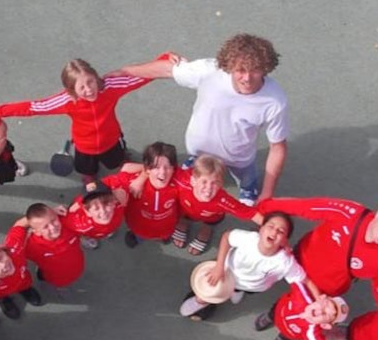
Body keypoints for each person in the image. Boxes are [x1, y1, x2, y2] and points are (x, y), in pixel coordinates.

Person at [119, 34, 289, 205]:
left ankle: (247, 187)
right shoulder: (209, 71)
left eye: (255, 70)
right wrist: (125, 71)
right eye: (240, 70)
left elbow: (277, 147)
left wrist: (267, 192)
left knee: (247, 178)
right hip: (199, 152)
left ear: (266, 68)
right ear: (229, 67)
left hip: (240, 158)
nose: (247, 78)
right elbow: (167, 70)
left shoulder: (275, 100)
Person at [0, 57, 163, 188]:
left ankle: (119, 160)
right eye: (81, 87)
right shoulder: (67, 101)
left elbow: (145, 76)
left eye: (90, 81)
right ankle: (89, 175)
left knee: (115, 161)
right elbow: (33, 107)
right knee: (86, 168)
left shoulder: (111, 87)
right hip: (84, 147)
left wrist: (166, 60)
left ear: (96, 77)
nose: (88, 89)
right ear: (71, 91)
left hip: (112, 140)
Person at [257, 196, 378, 303]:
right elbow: (307, 207)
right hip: (298, 259)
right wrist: (263, 207)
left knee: (297, 306)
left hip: (322, 289)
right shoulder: (347, 212)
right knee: (261, 277)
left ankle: (276, 320)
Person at [178, 212, 315, 321]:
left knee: (242, 290)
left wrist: (319, 299)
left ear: (285, 240)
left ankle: (236, 291)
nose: (274, 232)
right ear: (261, 229)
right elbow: (227, 237)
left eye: (281, 231)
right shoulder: (248, 239)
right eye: (271, 226)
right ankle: (201, 300)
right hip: (226, 273)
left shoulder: (285, 262)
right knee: (211, 287)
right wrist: (219, 266)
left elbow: (305, 280)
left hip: (251, 286)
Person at [101, 141, 182, 247]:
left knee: (165, 234)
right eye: (157, 167)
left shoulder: (180, 182)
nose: (162, 173)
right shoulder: (131, 182)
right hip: (138, 227)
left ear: (174, 168)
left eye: (167, 167)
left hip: (167, 227)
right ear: (147, 169)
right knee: (140, 234)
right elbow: (99, 188)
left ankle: (163, 237)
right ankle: (138, 237)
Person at [171, 154, 256, 255]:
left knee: (212, 220)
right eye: (204, 181)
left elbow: (248, 212)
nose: (209, 188)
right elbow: (162, 169)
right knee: (184, 212)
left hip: (211, 216)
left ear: (221, 185)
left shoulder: (222, 201)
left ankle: (206, 229)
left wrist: (269, 225)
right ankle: (184, 222)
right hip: (185, 209)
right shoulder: (181, 181)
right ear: (193, 181)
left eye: (215, 183)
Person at [257, 286, 349, 340]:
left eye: (326, 315)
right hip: (279, 308)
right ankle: (270, 317)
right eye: (326, 305)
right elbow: (295, 276)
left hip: (291, 333)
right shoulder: (302, 294)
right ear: (321, 297)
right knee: (274, 310)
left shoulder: (312, 333)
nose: (320, 311)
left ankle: (282, 338)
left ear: (325, 325)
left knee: (290, 335)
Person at [20, 205, 85, 289]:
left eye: (53, 220)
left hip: (78, 267)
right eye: (45, 227)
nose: (53, 227)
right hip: (55, 278)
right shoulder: (31, 246)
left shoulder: (69, 225)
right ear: (36, 232)